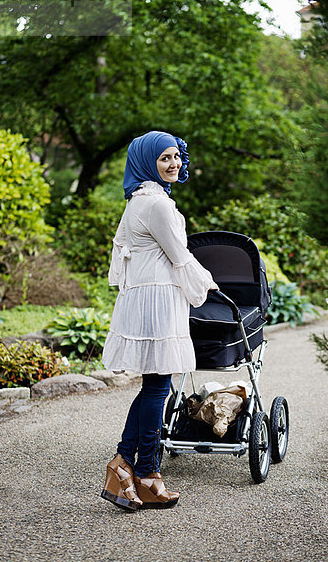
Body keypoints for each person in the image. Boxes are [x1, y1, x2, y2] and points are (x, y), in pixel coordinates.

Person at [100, 130, 218, 512]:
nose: (174, 164)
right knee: (157, 389)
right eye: (164, 157)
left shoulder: (139, 200)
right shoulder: (158, 205)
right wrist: (208, 286)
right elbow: (180, 257)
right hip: (159, 300)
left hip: (146, 298)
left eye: (177, 157)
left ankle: (123, 466)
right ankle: (147, 474)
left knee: (154, 387)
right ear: (146, 161)